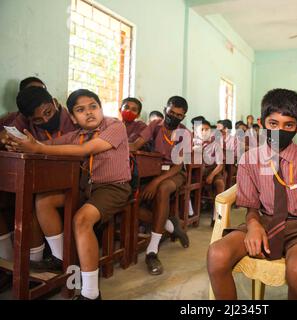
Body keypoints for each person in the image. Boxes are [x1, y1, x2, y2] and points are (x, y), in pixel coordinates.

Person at [207, 88, 297, 300]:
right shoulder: (249, 160)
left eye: (288, 125)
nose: (279, 130)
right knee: (217, 254)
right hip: (266, 222)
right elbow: (252, 209)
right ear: (262, 123)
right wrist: (253, 225)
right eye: (273, 124)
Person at [5, 89, 132, 300]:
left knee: (81, 220)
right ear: (73, 118)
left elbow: (86, 150)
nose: (89, 112)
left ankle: (91, 294)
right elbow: (44, 146)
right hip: (86, 189)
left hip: (113, 188)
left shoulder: (115, 126)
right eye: (80, 110)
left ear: (101, 109)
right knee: (44, 200)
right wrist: (20, 143)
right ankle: (60, 259)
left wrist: (37, 148)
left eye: (93, 106)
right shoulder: (75, 135)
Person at [130, 96, 190, 275]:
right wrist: (117, 146)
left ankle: (152, 251)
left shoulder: (185, 133)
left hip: (175, 173)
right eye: (172, 112)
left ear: (183, 117)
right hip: (154, 170)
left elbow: (179, 165)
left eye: (179, 115)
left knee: (163, 189)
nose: (174, 116)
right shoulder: (155, 125)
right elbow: (137, 144)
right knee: (131, 200)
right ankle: (171, 226)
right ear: (165, 109)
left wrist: (156, 182)